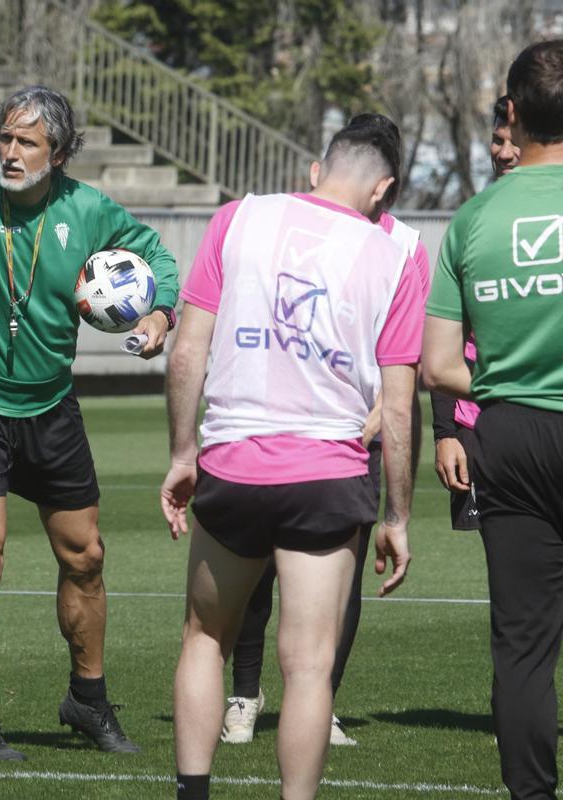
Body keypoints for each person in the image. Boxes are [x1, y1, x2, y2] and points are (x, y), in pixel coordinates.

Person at [0, 84, 178, 760]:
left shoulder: (86, 209)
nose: (11, 152)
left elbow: (161, 256)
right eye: (5, 138)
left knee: (84, 555)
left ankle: (87, 699)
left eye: (26, 142)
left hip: (50, 404)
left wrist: (159, 312)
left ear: (56, 153)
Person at [161, 122, 421, 800]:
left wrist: (184, 454)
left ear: (315, 170)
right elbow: (397, 408)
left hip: (233, 463)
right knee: (308, 666)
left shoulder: (237, 217)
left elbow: (187, 352)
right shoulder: (398, 255)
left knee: (204, 638)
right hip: (328, 477)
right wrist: (397, 514)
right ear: (383, 189)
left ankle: (193, 793)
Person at [219, 113, 431, 749]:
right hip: (278, 429)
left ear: (383, 189)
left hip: (361, 439)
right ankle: (245, 695)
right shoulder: (282, 224)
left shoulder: (404, 247)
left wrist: (381, 414)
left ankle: (320, 698)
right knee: (255, 575)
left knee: (345, 577)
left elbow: (404, 360)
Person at [422, 40, 563, 800]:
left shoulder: (473, 220)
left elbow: (439, 365)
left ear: (512, 112)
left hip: (506, 437)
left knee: (523, 647)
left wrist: (509, 374)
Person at [429, 95, 520, 534]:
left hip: (546, 422)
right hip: (479, 428)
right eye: (496, 140)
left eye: (513, 141)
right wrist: (445, 433)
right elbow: (446, 338)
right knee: (510, 575)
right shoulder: (473, 223)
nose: (503, 152)